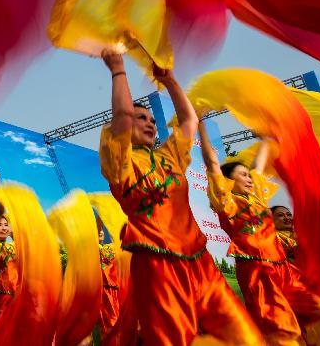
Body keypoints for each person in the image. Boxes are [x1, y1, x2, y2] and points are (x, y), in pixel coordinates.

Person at [98, 51, 261, 345]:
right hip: (158, 265)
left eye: (151, 119)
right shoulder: (119, 161)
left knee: (245, 337)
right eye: (141, 118)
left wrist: (170, 81)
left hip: (200, 262)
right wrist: (118, 68)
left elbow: (187, 122)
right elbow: (121, 116)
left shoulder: (168, 157)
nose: (150, 123)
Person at [200, 127, 320, 344]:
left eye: (249, 175)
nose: (249, 178)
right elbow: (212, 163)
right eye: (243, 175)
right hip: (258, 273)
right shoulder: (226, 203)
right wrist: (199, 121)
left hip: (285, 269)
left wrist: (268, 133)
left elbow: (259, 163)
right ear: (229, 181)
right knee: (282, 331)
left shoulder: (256, 196)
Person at [97, 220, 120, 339]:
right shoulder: (91, 250)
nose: (101, 232)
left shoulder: (112, 248)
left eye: (102, 229)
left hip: (117, 291)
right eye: (97, 229)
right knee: (110, 325)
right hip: (104, 293)